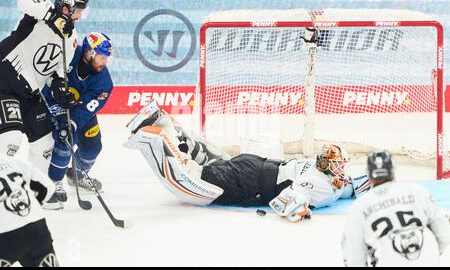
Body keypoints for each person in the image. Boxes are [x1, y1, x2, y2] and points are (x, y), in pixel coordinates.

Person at [124, 101, 370, 222]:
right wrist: (299, 210)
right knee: (194, 177)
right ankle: (152, 136)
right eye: (339, 164)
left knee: (204, 161)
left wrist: (372, 180)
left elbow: (352, 184)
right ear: (327, 165)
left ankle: (163, 119)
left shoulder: (324, 175)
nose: (342, 169)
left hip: (251, 165)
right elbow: (282, 203)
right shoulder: (320, 185)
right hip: (249, 182)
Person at [0, 0, 88, 176]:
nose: (80, 16)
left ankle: (36, 192)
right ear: (66, 8)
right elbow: (23, 1)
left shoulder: (71, 37)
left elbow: (58, 69)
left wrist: (59, 89)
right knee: (10, 140)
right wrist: (52, 17)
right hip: (5, 82)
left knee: (45, 146)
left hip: (31, 92)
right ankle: (4, 193)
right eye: (78, 10)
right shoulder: (40, 11)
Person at [342, 150, 450, 267]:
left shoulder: (359, 206)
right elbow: (444, 232)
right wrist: (431, 255)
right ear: (393, 171)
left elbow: (353, 255)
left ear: (368, 174)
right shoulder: (417, 191)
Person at [43, 32, 113, 209]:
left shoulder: (104, 81)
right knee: (64, 137)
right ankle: (54, 181)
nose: (104, 62)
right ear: (89, 53)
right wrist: (54, 93)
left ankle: (77, 175)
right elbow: (46, 75)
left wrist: (73, 121)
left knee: (93, 146)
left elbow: (88, 107)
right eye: (101, 57)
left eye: (106, 58)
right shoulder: (69, 53)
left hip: (81, 110)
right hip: (54, 101)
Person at [0, 154, 58, 267]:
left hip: (4, 236)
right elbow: (48, 186)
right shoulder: (13, 161)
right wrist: (31, 210)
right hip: (37, 230)